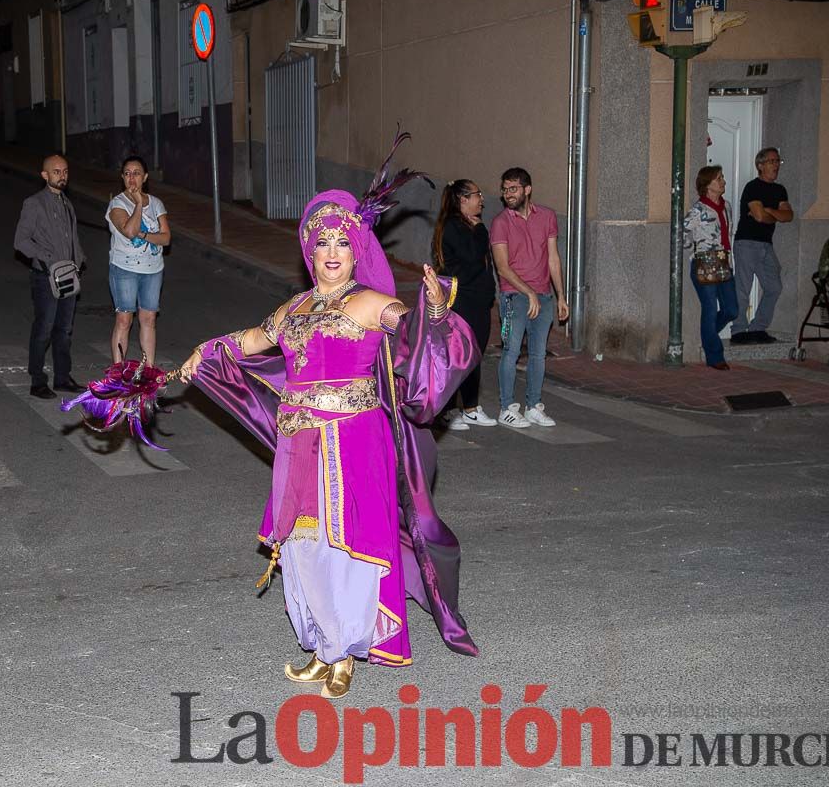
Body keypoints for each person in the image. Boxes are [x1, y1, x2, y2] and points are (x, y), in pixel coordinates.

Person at [177, 153, 481, 699]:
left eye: (343, 242)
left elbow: (409, 327)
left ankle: (347, 649)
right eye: (322, 243)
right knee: (303, 544)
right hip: (299, 443)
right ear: (309, 250)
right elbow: (252, 340)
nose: (332, 253)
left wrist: (434, 310)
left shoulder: (370, 303)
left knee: (351, 544)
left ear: (356, 248)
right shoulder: (292, 309)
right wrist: (206, 350)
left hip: (355, 440)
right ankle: (321, 643)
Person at [489, 167, 570, 429]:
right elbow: (502, 267)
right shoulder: (501, 222)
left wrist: (561, 296)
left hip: (544, 296)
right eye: (504, 189)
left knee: (537, 355)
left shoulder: (546, 217)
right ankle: (506, 407)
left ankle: (534, 405)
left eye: (512, 188)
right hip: (515, 296)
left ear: (527, 189)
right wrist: (528, 292)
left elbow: (553, 258)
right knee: (511, 351)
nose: (507, 194)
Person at [14, 154, 86, 399]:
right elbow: (21, 241)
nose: (62, 176)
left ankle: (62, 378)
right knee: (44, 329)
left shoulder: (67, 203)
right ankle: (37, 381)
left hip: (68, 276)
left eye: (65, 171)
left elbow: (73, 235)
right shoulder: (34, 203)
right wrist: (46, 257)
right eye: (56, 172)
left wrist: (79, 260)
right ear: (44, 175)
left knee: (64, 330)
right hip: (45, 277)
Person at [433, 179, 497, 429]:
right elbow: (471, 260)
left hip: (476, 301)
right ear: (462, 200)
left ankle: (469, 407)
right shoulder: (454, 227)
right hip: (463, 301)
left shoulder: (465, 225)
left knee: (473, 355)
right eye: (476, 194)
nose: (481, 199)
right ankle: (449, 409)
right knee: (460, 356)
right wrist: (481, 230)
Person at [106, 156, 170, 364]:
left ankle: (149, 369)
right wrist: (139, 205)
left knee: (149, 319)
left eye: (136, 173)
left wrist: (144, 235)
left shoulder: (157, 203)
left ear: (145, 177)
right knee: (124, 319)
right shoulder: (117, 204)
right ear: (122, 177)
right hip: (124, 269)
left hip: (153, 270)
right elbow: (130, 231)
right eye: (127, 173)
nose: (132, 178)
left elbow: (166, 238)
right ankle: (118, 371)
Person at [730, 147, 793, 345]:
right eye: (772, 161)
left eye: (778, 161)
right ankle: (739, 331)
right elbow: (759, 216)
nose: (776, 165)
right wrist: (771, 213)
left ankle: (758, 328)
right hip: (747, 242)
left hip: (766, 245)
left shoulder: (780, 189)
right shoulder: (753, 187)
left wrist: (768, 210)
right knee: (743, 288)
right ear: (760, 165)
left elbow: (788, 216)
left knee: (774, 287)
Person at [683, 165, 739, 370]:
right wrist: (696, 250)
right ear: (707, 185)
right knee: (709, 308)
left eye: (722, 177)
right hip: (704, 263)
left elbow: (728, 234)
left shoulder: (727, 207)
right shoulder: (698, 210)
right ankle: (715, 357)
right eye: (719, 178)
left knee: (732, 310)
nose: (723, 181)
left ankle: (708, 336)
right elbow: (681, 233)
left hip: (724, 263)